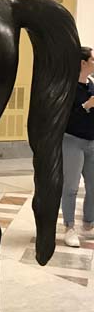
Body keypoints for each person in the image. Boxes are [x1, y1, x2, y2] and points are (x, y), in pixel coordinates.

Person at [61, 46, 94, 247]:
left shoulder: (92, 85)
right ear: (83, 63)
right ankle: (69, 227)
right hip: (72, 141)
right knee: (71, 186)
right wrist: (86, 106)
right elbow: (66, 118)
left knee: (93, 185)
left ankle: (89, 223)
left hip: (92, 142)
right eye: (93, 59)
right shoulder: (69, 87)